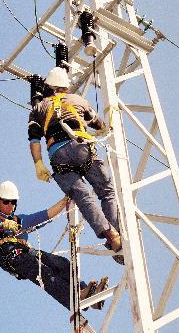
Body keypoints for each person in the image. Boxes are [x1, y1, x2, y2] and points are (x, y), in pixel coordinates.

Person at [28, 67, 124, 265]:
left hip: (58, 155)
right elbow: (98, 123)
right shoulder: (77, 100)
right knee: (106, 192)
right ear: (64, 87)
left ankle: (112, 237)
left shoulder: (38, 109)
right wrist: (105, 126)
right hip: (81, 147)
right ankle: (118, 235)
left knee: (83, 197)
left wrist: (39, 164)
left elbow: (34, 140)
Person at [0, 180, 109, 311]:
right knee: (42, 271)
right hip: (9, 254)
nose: (10, 205)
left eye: (13, 202)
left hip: (26, 251)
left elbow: (46, 215)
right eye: (6, 201)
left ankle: (88, 295)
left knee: (61, 263)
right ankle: (75, 298)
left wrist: (64, 201)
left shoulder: (20, 220)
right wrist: (0, 227)